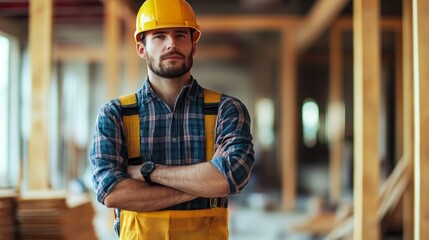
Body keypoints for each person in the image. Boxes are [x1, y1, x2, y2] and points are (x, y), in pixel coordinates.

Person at [89, 0, 255, 239]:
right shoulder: (115, 115)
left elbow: (232, 177)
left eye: (180, 35)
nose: (171, 44)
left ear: (193, 46)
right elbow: (111, 193)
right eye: (159, 36)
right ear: (141, 48)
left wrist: (148, 172)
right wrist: (201, 184)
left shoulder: (226, 110)